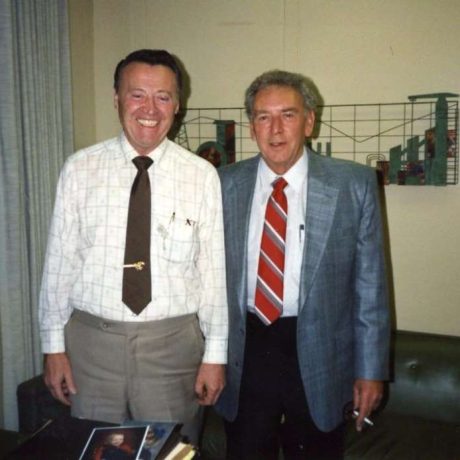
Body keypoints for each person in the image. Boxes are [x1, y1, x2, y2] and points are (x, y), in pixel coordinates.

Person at [39, 49, 228, 445]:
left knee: (170, 453)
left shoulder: (202, 176)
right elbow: (59, 264)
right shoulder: (79, 168)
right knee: (93, 451)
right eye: (137, 94)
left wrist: (215, 355)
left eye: (163, 96)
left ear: (177, 105)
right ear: (116, 98)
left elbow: (213, 274)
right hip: (92, 351)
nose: (150, 108)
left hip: (172, 350)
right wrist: (53, 346)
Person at [215, 70, 390, 459]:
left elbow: (370, 287)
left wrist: (371, 369)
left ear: (310, 121)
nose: (275, 129)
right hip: (248, 348)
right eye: (263, 116)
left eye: (288, 115)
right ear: (251, 126)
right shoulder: (222, 184)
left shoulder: (354, 184)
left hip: (321, 353)